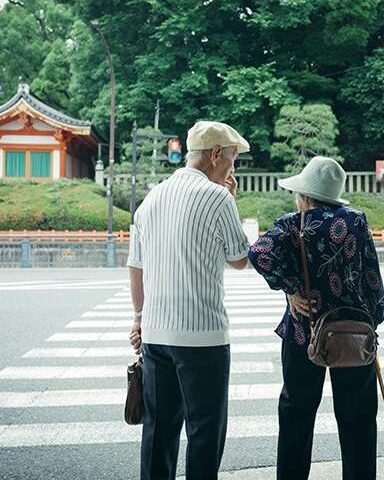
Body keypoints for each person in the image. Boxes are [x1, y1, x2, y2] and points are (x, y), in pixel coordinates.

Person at [248, 156, 384, 480]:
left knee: (297, 412)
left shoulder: (292, 224)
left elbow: (259, 254)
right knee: (358, 419)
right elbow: (370, 275)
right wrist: (375, 319)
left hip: (304, 330)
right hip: (353, 331)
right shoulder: (355, 221)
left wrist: (291, 289)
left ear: (305, 195)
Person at [127, 121, 251, 480]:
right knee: (204, 432)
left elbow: (136, 264)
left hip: (156, 334)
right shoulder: (218, 197)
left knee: (159, 430)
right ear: (215, 155)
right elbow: (239, 259)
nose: (232, 169)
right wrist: (231, 200)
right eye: (232, 159)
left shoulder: (153, 196)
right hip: (203, 337)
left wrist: (139, 317)